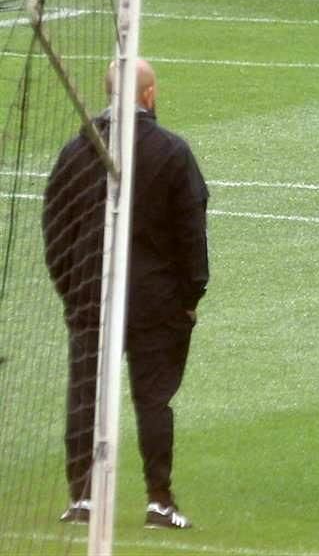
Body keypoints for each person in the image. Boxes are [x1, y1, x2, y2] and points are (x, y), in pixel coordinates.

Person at [43, 59, 208, 530]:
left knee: (86, 394)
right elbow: (191, 231)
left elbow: (55, 227)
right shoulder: (173, 151)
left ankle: (83, 500)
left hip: (91, 292)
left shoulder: (77, 150)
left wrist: (70, 287)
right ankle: (159, 501)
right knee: (153, 399)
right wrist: (191, 296)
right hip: (156, 301)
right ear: (150, 94)